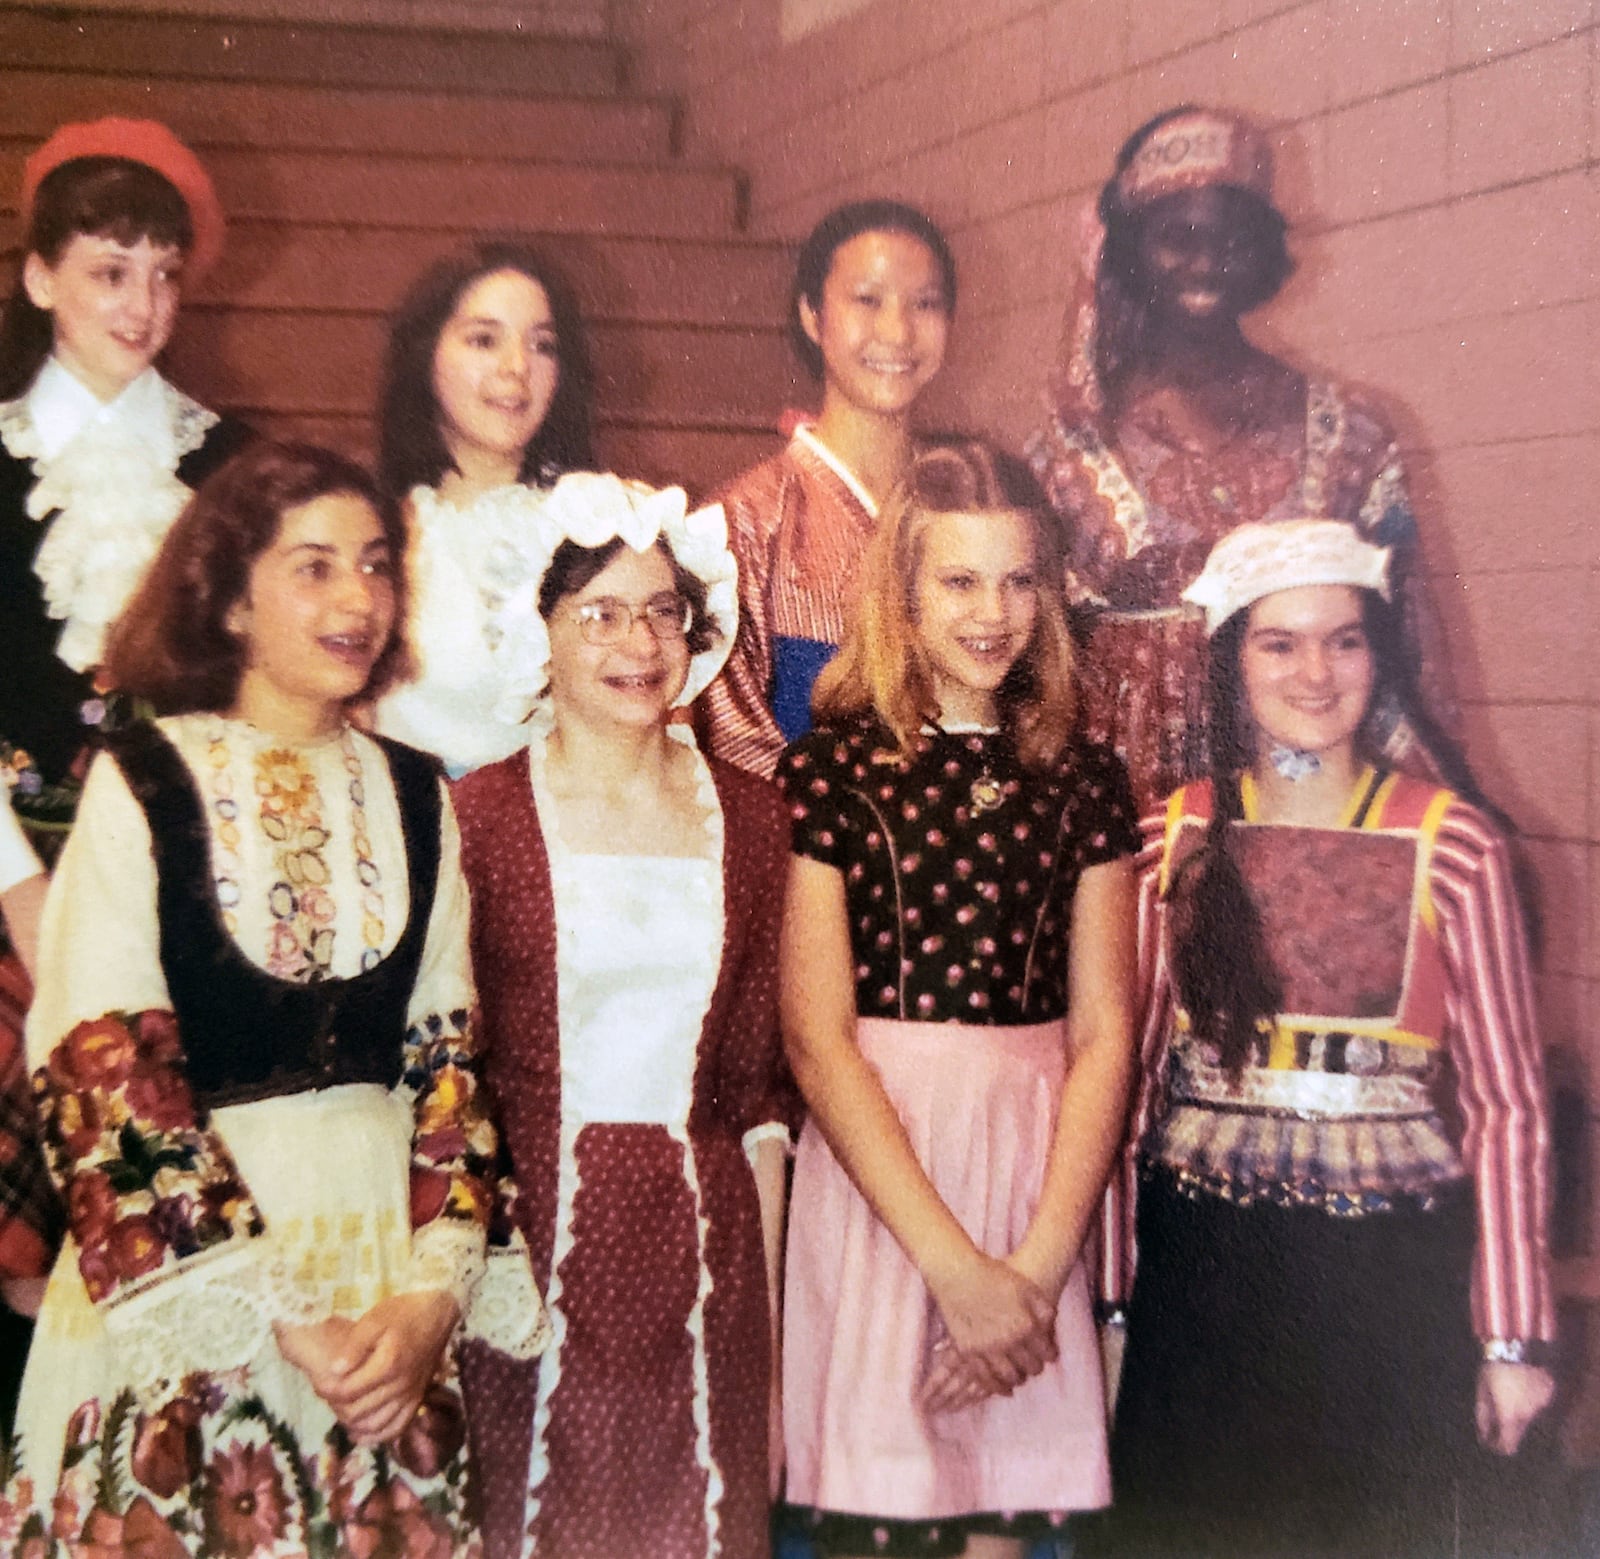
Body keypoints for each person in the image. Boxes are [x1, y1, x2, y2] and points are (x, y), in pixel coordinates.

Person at [1, 442, 545, 1556]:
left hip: (380, 1296)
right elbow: (100, 1069)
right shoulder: (143, 780)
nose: (358, 597)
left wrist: (430, 1298)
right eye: (314, 567)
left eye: (377, 564)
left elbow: (450, 1064)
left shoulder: (415, 793)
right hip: (194, 1296)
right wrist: (281, 1316)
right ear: (231, 597)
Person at [1098, 520, 1556, 1557]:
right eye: (1279, 642)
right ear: (1230, 661)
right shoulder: (1171, 836)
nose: (1315, 671)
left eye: (1343, 639)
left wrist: (1510, 1336)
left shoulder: (1455, 845)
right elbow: (1120, 1100)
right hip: (1204, 1271)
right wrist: (1111, 1309)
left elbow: (1506, 1106)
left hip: (1384, 1278)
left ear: (1378, 653)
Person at [777, 443, 1138, 1558]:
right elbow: (815, 1037)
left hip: (1034, 1178)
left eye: (1019, 579)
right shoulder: (832, 771)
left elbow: (1105, 1031)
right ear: (901, 591)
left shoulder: (1084, 780)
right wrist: (952, 1270)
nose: (994, 611)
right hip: (888, 1178)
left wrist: (1028, 1277)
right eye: (959, 581)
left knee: (1001, 1517)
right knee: (888, 1493)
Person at [452, 472, 795, 1559]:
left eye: (660, 610)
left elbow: (754, 1087)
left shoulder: (750, 819)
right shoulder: (479, 815)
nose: (636, 641)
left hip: (705, 1252)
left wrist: (767, 1334)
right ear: (537, 630)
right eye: (597, 611)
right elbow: (447, 1074)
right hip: (526, 1245)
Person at [0, 116, 252, 1379]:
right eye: (109, 269)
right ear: (39, 273)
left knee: (158, 1245)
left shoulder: (230, 465)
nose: (142, 303)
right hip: (11, 891)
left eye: (164, 272)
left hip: (177, 897)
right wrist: (23, 887)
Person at [1026, 106, 1458, 812]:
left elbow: (1414, 665)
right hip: (1126, 824)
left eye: (1233, 239)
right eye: (1178, 237)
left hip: (1312, 809)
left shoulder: (1354, 438)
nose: (1206, 261)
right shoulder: (1066, 449)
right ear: (1129, 250)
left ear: (1265, 252)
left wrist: (1432, 821)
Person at [703, 199, 956, 779]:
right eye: (867, 300)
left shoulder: (971, 506)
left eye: (925, 303)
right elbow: (735, 746)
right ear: (813, 316)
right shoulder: (741, 520)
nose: (897, 331)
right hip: (813, 857)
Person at [373, 239, 596, 775]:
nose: (517, 368)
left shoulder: (601, 520)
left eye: (542, 345)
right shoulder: (376, 527)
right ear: (425, 354)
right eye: (484, 340)